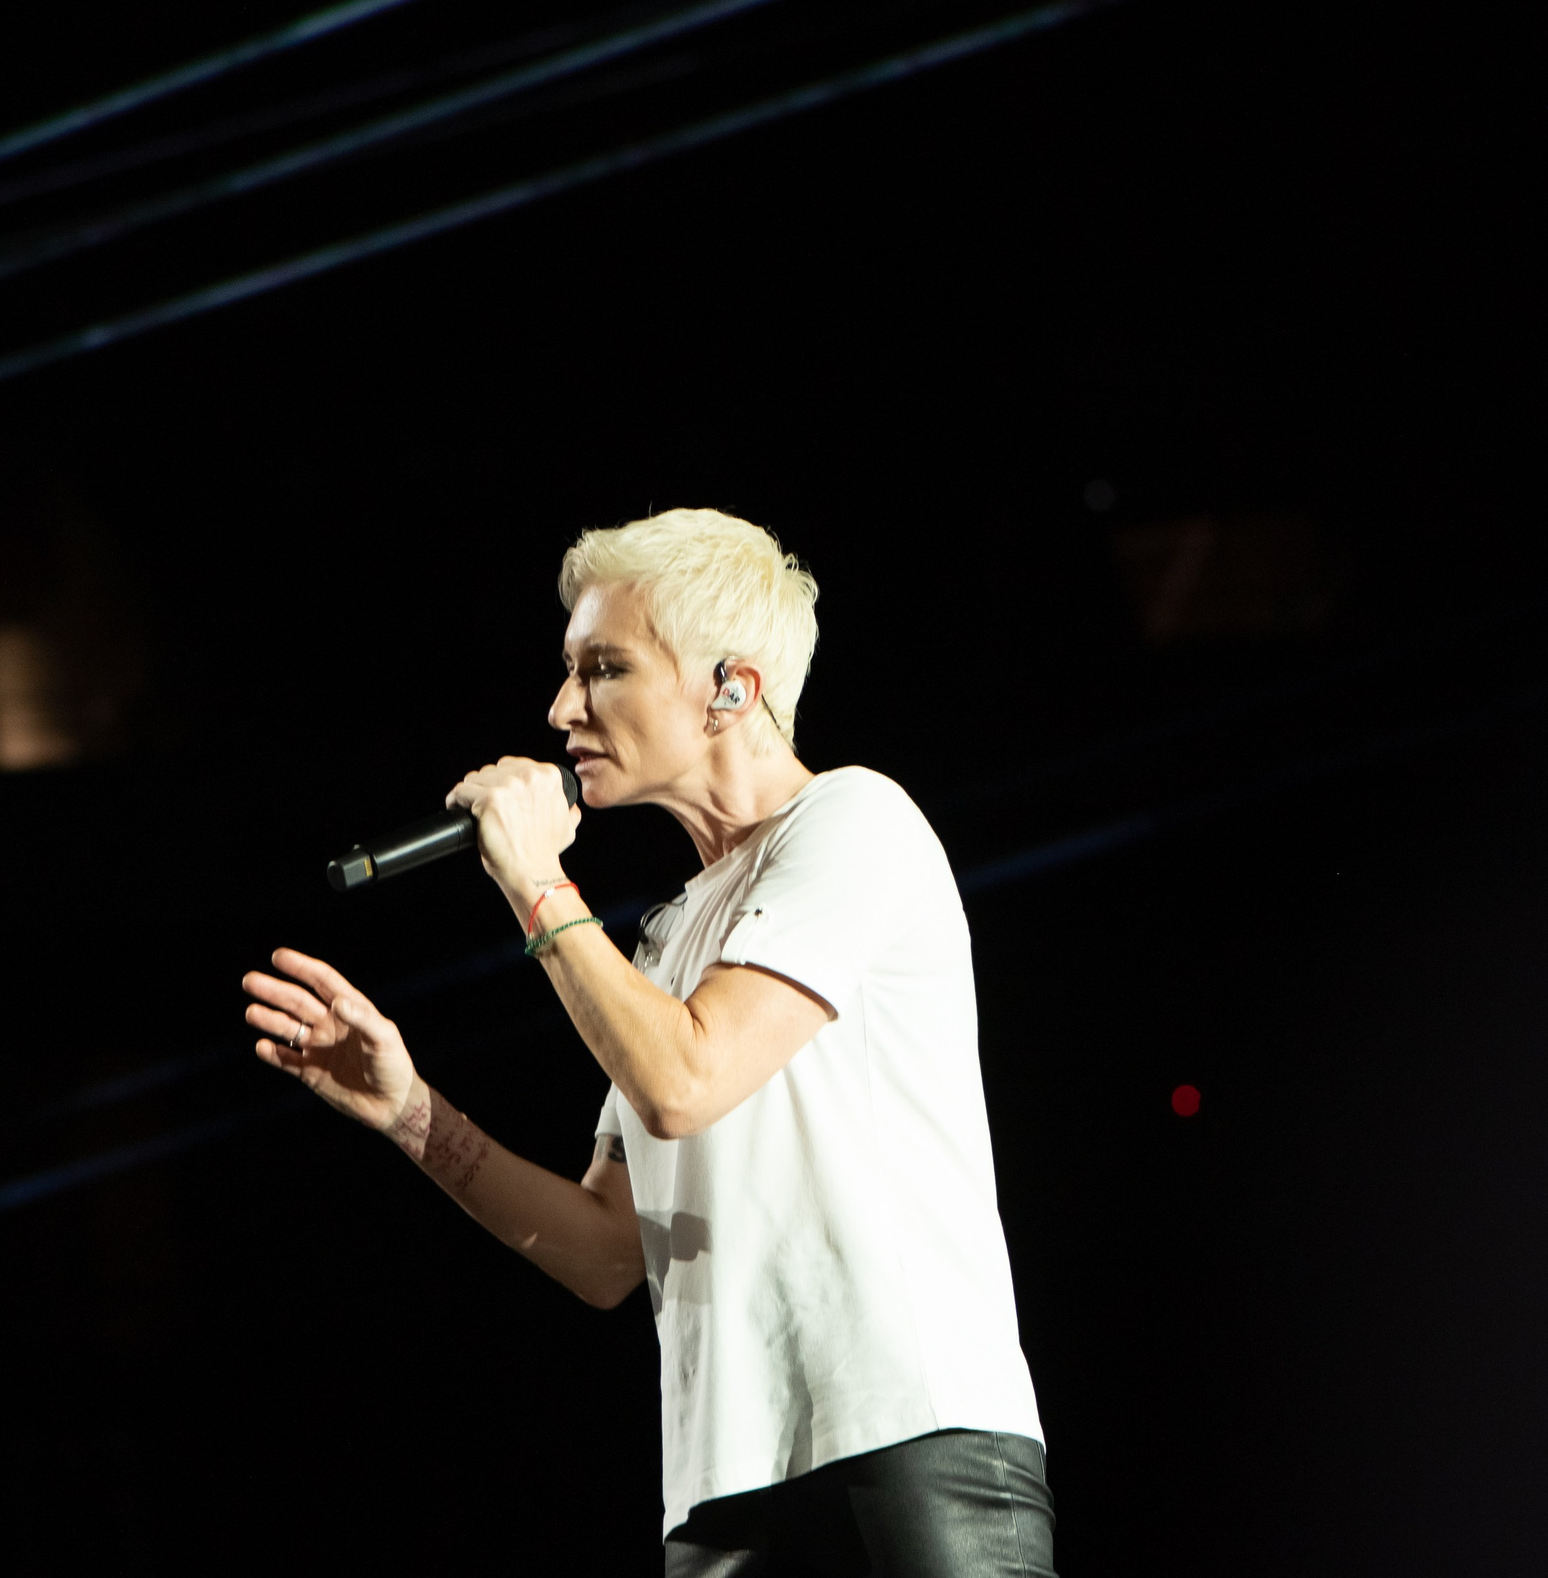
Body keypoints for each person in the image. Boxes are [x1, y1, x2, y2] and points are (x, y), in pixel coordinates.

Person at [242, 509, 1052, 1577]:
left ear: (732, 689)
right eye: (569, 671)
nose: (560, 708)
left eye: (603, 669)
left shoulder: (854, 822)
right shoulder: (664, 941)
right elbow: (604, 1253)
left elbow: (684, 1079)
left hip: (908, 1443)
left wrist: (536, 883)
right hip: (721, 1493)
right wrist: (409, 1113)